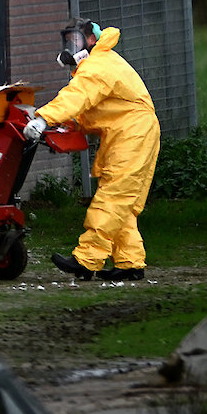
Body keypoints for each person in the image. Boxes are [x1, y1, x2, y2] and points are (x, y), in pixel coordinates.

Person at [23, 18, 160, 281]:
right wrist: (62, 124)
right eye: (67, 41)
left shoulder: (97, 66)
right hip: (128, 133)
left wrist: (43, 120)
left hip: (132, 134)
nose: (69, 47)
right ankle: (130, 263)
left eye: (75, 40)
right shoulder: (99, 63)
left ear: (91, 40)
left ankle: (86, 261)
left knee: (112, 199)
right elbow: (88, 108)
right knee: (120, 201)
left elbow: (77, 97)